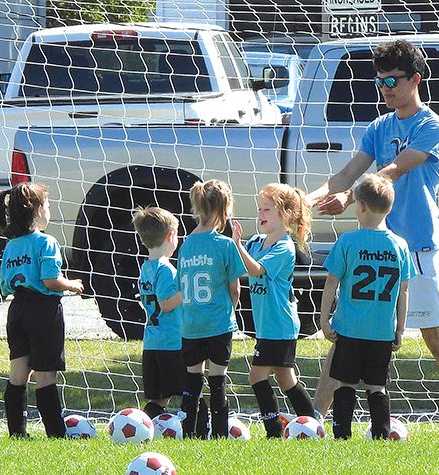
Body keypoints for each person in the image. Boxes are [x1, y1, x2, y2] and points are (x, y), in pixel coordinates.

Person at [307, 39, 439, 442]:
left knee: (435, 336)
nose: (385, 88)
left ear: (415, 79)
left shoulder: (430, 125)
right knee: (349, 332)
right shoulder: (378, 126)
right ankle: (312, 420)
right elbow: (344, 174)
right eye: (379, 81)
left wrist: (350, 197)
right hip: (377, 246)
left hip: (418, 248)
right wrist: (304, 201)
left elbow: (393, 171)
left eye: (392, 80)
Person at [318, 174, 414, 439]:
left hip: (348, 328)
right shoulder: (400, 245)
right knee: (376, 386)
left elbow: (331, 284)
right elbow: (403, 292)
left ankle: (342, 436)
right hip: (382, 331)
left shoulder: (348, 242)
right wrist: (401, 329)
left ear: (359, 206)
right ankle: (382, 436)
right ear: (389, 208)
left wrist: (324, 320)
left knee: (344, 383)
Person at [0, 183, 84, 438]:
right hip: (44, 312)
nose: (50, 210)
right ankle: (56, 434)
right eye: (48, 205)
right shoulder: (47, 242)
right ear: (36, 210)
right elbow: (50, 281)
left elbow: (5, 286)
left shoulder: (11, 245)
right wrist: (72, 285)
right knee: (45, 377)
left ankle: (17, 432)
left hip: (18, 310)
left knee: (18, 375)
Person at [232, 183, 316, 438]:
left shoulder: (284, 247)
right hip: (269, 324)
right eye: (260, 208)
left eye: (267, 209)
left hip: (280, 323)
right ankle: (312, 423)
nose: (260, 214)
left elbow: (256, 269)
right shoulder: (257, 241)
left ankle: (274, 430)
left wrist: (237, 244)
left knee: (257, 376)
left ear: (286, 214)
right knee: (286, 379)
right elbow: (241, 265)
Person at [177, 180, 247, 439]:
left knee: (193, 379)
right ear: (225, 209)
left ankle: (188, 432)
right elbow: (235, 288)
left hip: (191, 324)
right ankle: (219, 435)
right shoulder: (225, 244)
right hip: (218, 322)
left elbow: (181, 285)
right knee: (218, 380)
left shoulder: (185, 246)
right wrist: (232, 308)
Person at [132, 206, 186, 420]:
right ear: (170, 235)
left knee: (160, 398)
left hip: (153, 342)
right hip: (171, 342)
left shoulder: (146, 267)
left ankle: (143, 425)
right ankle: (198, 428)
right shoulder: (165, 269)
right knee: (188, 390)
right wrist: (186, 292)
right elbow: (165, 304)